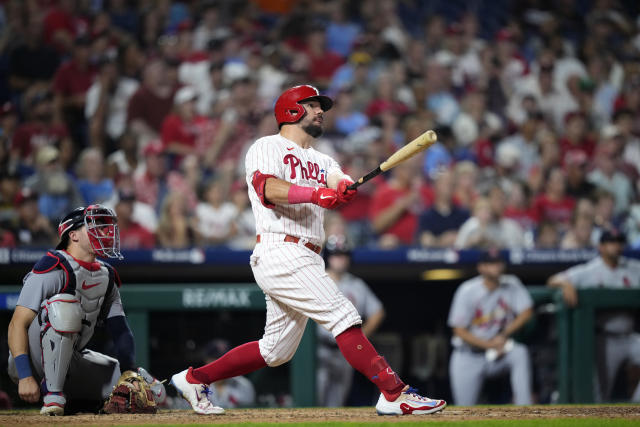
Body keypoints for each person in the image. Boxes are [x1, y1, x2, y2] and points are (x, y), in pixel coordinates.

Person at [170, 85, 446, 416]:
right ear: (291, 111)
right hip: (281, 249)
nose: (320, 112)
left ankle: (194, 379)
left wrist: (342, 188)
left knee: (275, 351)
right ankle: (393, 392)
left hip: (307, 254)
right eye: (313, 105)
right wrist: (315, 195)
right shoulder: (267, 146)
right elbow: (267, 188)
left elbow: (337, 181)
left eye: (321, 107)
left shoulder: (322, 157)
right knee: (343, 314)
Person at [6, 205, 134, 415]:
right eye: (95, 226)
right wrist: (25, 376)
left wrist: (130, 373)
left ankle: (79, 402)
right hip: (31, 359)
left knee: (145, 387)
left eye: (104, 226)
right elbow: (16, 324)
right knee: (64, 305)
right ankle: (52, 395)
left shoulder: (106, 274)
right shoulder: (54, 266)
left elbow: (120, 329)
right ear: (73, 235)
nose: (104, 232)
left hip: (72, 358)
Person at [547, 230, 640, 402]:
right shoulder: (591, 270)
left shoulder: (634, 268)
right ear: (601, 247)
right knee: (599, 395)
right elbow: (552, 280)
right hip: (605, 339)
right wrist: (565, 284)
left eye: (619, 242)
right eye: (612, 242)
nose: (617, 246)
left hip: (630, 336)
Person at [448, 250, 534, 405]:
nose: (496, 267)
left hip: (498, 354)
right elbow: (458, 330)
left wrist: (503, 335)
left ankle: (524, 408)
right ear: (481, 267)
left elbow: (527, 312)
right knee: (464, 410)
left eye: (498, 263)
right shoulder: (467, 290)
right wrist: (489, 344)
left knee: (519, 353)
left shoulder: (511, 283)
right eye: (491, 263)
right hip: (468, 355)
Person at [316, 234, 385, 407]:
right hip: (319, 349)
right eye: (336, 255)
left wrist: (360, 339)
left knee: (337, 404)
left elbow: (378, 312)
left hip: (344, 353)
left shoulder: (356, 284)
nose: (340, 259)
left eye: (344, 255)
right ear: (328, 257)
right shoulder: (317, 281)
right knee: (314, 402)